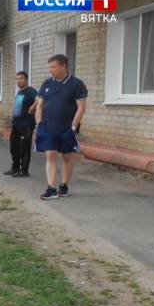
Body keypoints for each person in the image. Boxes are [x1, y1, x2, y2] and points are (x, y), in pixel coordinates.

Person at [35, 54, 87, 200]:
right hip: (47, 126)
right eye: (49, 67)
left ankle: (64, 185)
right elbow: (39, 105)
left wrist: (73, 127)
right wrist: (39, 123)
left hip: (66, 128)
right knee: (50, 155)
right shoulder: (47, 83)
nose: (50, 70)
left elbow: (81, 107)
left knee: (67, 157)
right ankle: (51, 188)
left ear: (63, 66)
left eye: (53, 67)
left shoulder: (77, 84)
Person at [4, 71, 38, 177]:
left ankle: (24, 171)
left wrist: (33, 108)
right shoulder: (19, 92)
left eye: (21, 78)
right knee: (13, 147)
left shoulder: (31, 91)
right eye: (17, 79)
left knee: (24, 148)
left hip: (26, 124)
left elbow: (40, 100)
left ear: (26, 79)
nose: (19, 80)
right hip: (16, 124)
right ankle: (15, 168)